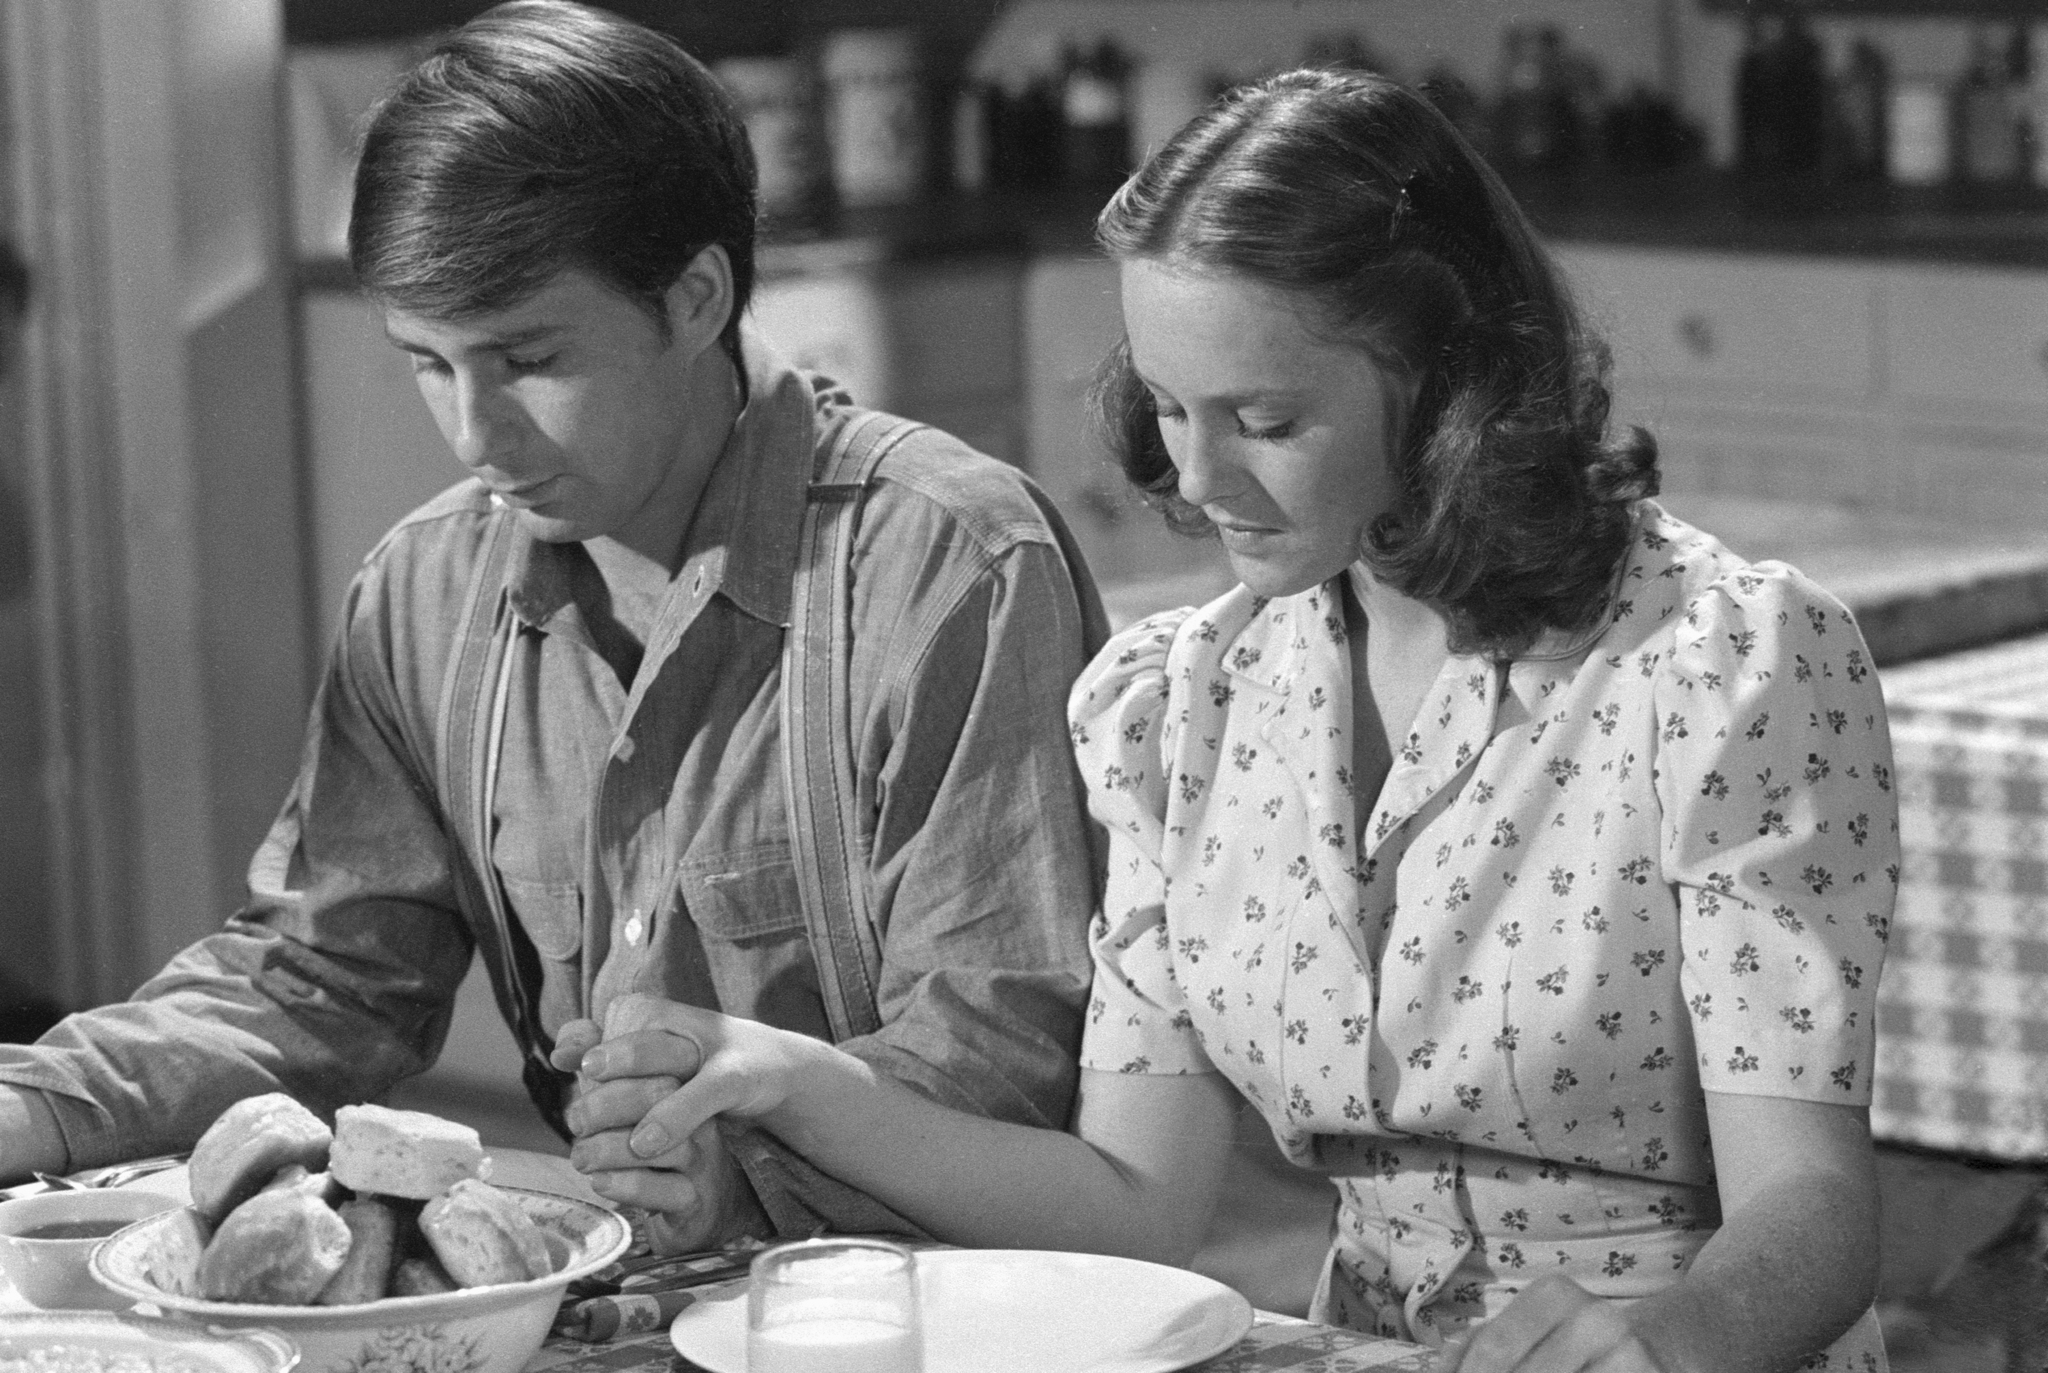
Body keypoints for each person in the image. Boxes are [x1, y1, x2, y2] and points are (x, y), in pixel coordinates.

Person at [556, 70, 1900, 1371]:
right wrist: (779, 1076)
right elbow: (1131, 1201)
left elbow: (1818, 1215)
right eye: (1164, 409)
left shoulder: (1719, 665)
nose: (1199, 480)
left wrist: (1670, 1340)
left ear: (1447, 385)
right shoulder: (1182, 708)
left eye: (1263, 418)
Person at [0, 0, 1107, 1252]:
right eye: (428, 363)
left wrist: (740, 1176)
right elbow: (322, 979)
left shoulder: (946, 564)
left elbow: (1005, 1060)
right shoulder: (423, 589)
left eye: (526, 360)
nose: (475, 436)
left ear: (694, 298)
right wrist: (36, 1103)